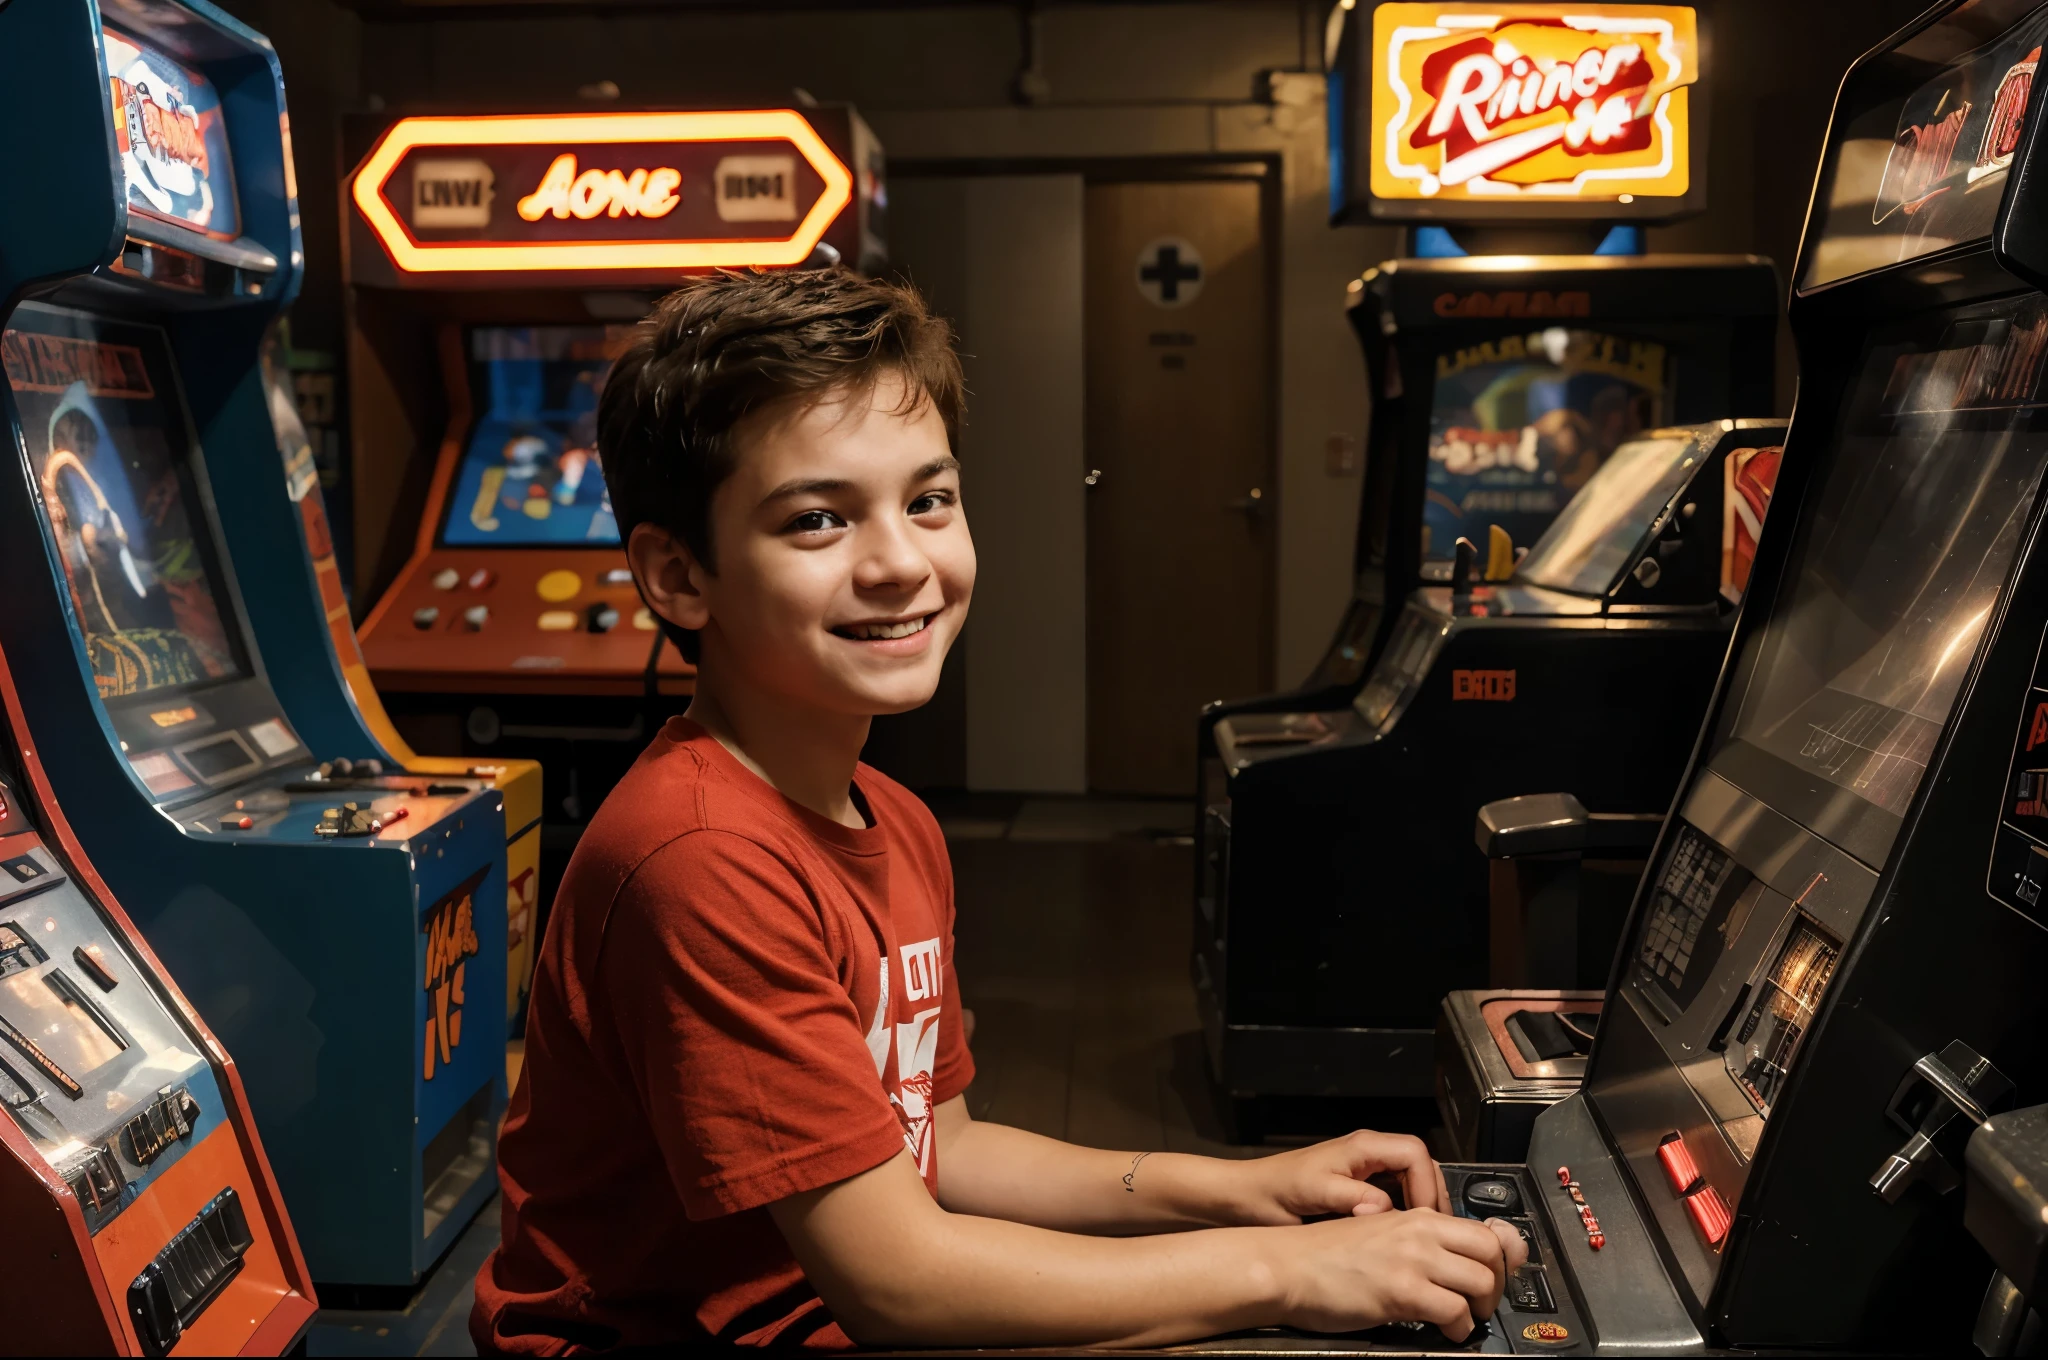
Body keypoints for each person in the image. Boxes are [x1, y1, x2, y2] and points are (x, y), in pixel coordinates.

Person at [471, 269, 1526, 1353]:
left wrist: (1242, 1188)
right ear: (677, 576)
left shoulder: (890, 816)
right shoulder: (701, 856)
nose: (900, 563)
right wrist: (1289, 1267)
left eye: (928, 500)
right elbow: (901, 1281)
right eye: (818, 519)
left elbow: (945, 1148)